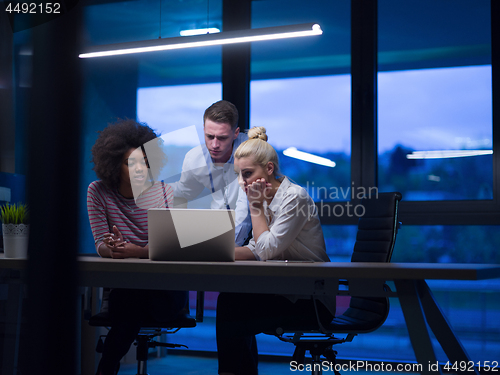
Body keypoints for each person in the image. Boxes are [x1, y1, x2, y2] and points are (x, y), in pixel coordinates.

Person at [216, 127, 336, 375]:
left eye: (247, 174)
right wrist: (213, 250)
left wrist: (255, 207)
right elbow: (255, 248)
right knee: (231, 300)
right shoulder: (267, 199)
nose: (242, 182)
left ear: (269, 169)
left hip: (311, 300)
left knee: (231, 306)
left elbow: (267, 250)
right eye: (239, 175)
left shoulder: (294, 198)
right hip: (287, 292)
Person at [87, 119, 187, 375]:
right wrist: (111, 248)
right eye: (129, 163)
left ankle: (106, 368)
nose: (139, 169)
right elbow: (100, 243)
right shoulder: (98, 192)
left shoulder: (167, 193)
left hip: (165, 292)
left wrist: (138, 252)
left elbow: (176, 247)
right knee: (130, 298)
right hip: (126, 290)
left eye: (143, 161)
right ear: (113, 166)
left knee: (129, 302)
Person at [171, 100, 252, 246]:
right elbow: (183, 193)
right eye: (209, 136)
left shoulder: (251, 153)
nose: (214, 145)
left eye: (222, 138)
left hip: (253, 236)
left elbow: (245, 213)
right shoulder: (194, 159)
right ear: (203, 129)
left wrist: (224, 248)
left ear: (236, 133)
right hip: (217, 231)